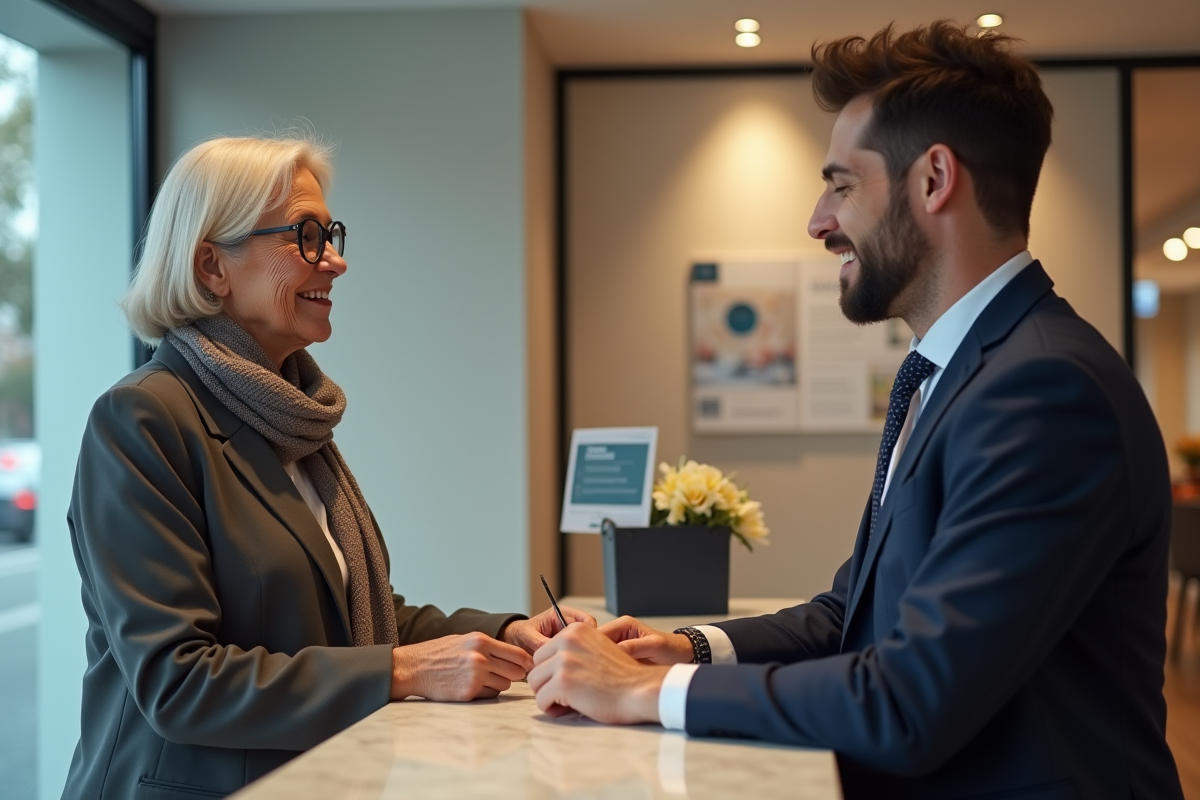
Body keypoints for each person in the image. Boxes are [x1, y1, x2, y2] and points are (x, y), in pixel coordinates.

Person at [529, 21, 1184, 800]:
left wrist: (646, 692)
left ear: (934, 179)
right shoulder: (953, 372)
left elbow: (909, 703)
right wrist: (687, 650)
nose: (817, 220)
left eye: (841, 186)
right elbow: (854, 614)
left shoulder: (1044, 390)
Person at [62, 135, 593, 800]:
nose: (335, 262)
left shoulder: (290, 415)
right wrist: (400, 671)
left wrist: (505, 634)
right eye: (305, 237)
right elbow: (179, 681)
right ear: (211, 266)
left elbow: (352, 616)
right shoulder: (141, 419)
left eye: (330, 235)